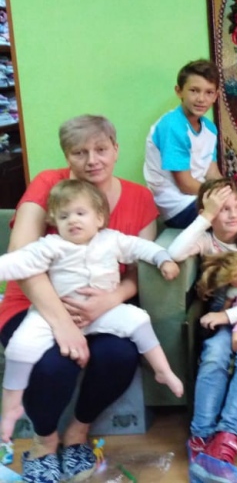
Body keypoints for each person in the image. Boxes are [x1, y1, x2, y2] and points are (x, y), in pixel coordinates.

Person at [0, 115, 160, 482]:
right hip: (33, 307)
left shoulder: (139, 197)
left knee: (120, 356)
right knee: (54, 364)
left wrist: (109, 300)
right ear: (66, 156)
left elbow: (139, 271)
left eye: (101, 149)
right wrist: (62, 324)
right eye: (79, 152)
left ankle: (77, 433)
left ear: (116, 149)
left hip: (102, 308)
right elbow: (21, 258)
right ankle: (43, 443)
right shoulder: (47, 184)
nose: (92, 160)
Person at [0, 180, 183, 447]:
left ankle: (162, 370)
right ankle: (11, 406)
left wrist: (163, 259)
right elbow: (17, 262)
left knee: (138, 320)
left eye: (80, 213)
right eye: (64, 216)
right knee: (20, 347)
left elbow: (141, 247)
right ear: (54, 222)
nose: (72, 220)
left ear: (99, 218)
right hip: (55, 316)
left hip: (102, 313)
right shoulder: (51, 245)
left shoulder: (112, 239)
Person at [167, 178, 237, 465]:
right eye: (223, 209)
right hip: (222, 320)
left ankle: (228, 433)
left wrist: (227, 316)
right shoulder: (206, 241)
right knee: (214, 355)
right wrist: (205, 216)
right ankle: (201, 434)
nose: (233, 215)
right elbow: (174, 252)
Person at [144, 59, 237, 253]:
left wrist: (232, 193)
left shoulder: (209, 128)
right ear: (179, 91)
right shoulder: (172, 125)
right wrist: (225, 198)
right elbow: (185, 184)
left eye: (209, 92)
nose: (201, 98)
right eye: (194, 90)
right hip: (177, 207)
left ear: (216, 96)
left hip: (199, 197)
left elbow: (212, 173)